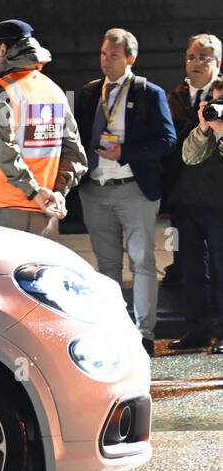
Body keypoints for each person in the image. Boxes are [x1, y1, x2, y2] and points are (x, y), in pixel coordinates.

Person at [76, 29, 176, 356]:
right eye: (103, 54)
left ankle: (144, 334)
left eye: (114, 55)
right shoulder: (91, 92)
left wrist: (126, 152)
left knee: (143, 262)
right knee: (106, 266)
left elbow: (168, 141)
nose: (106, 60)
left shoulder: (149, 92)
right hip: (95, 189)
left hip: (134, 188)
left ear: (130, 58)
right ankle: (113, 328)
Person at [0, 19, 86, 236]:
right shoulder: (54, 91)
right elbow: (75, 154)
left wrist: (33, 192)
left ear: (3, 49)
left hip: (2, 207)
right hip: (46, 211)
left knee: (0, 271)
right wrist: (58, 191)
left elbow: (2, 150)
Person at [166, 34, 223, 349]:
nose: (196, 62)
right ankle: (198, 327)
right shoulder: (173, 96)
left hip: (218, 199)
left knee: (221, 266)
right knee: (189, 265)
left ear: (218, 62)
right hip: (183, 197)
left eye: (204, 56)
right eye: (191, 56)